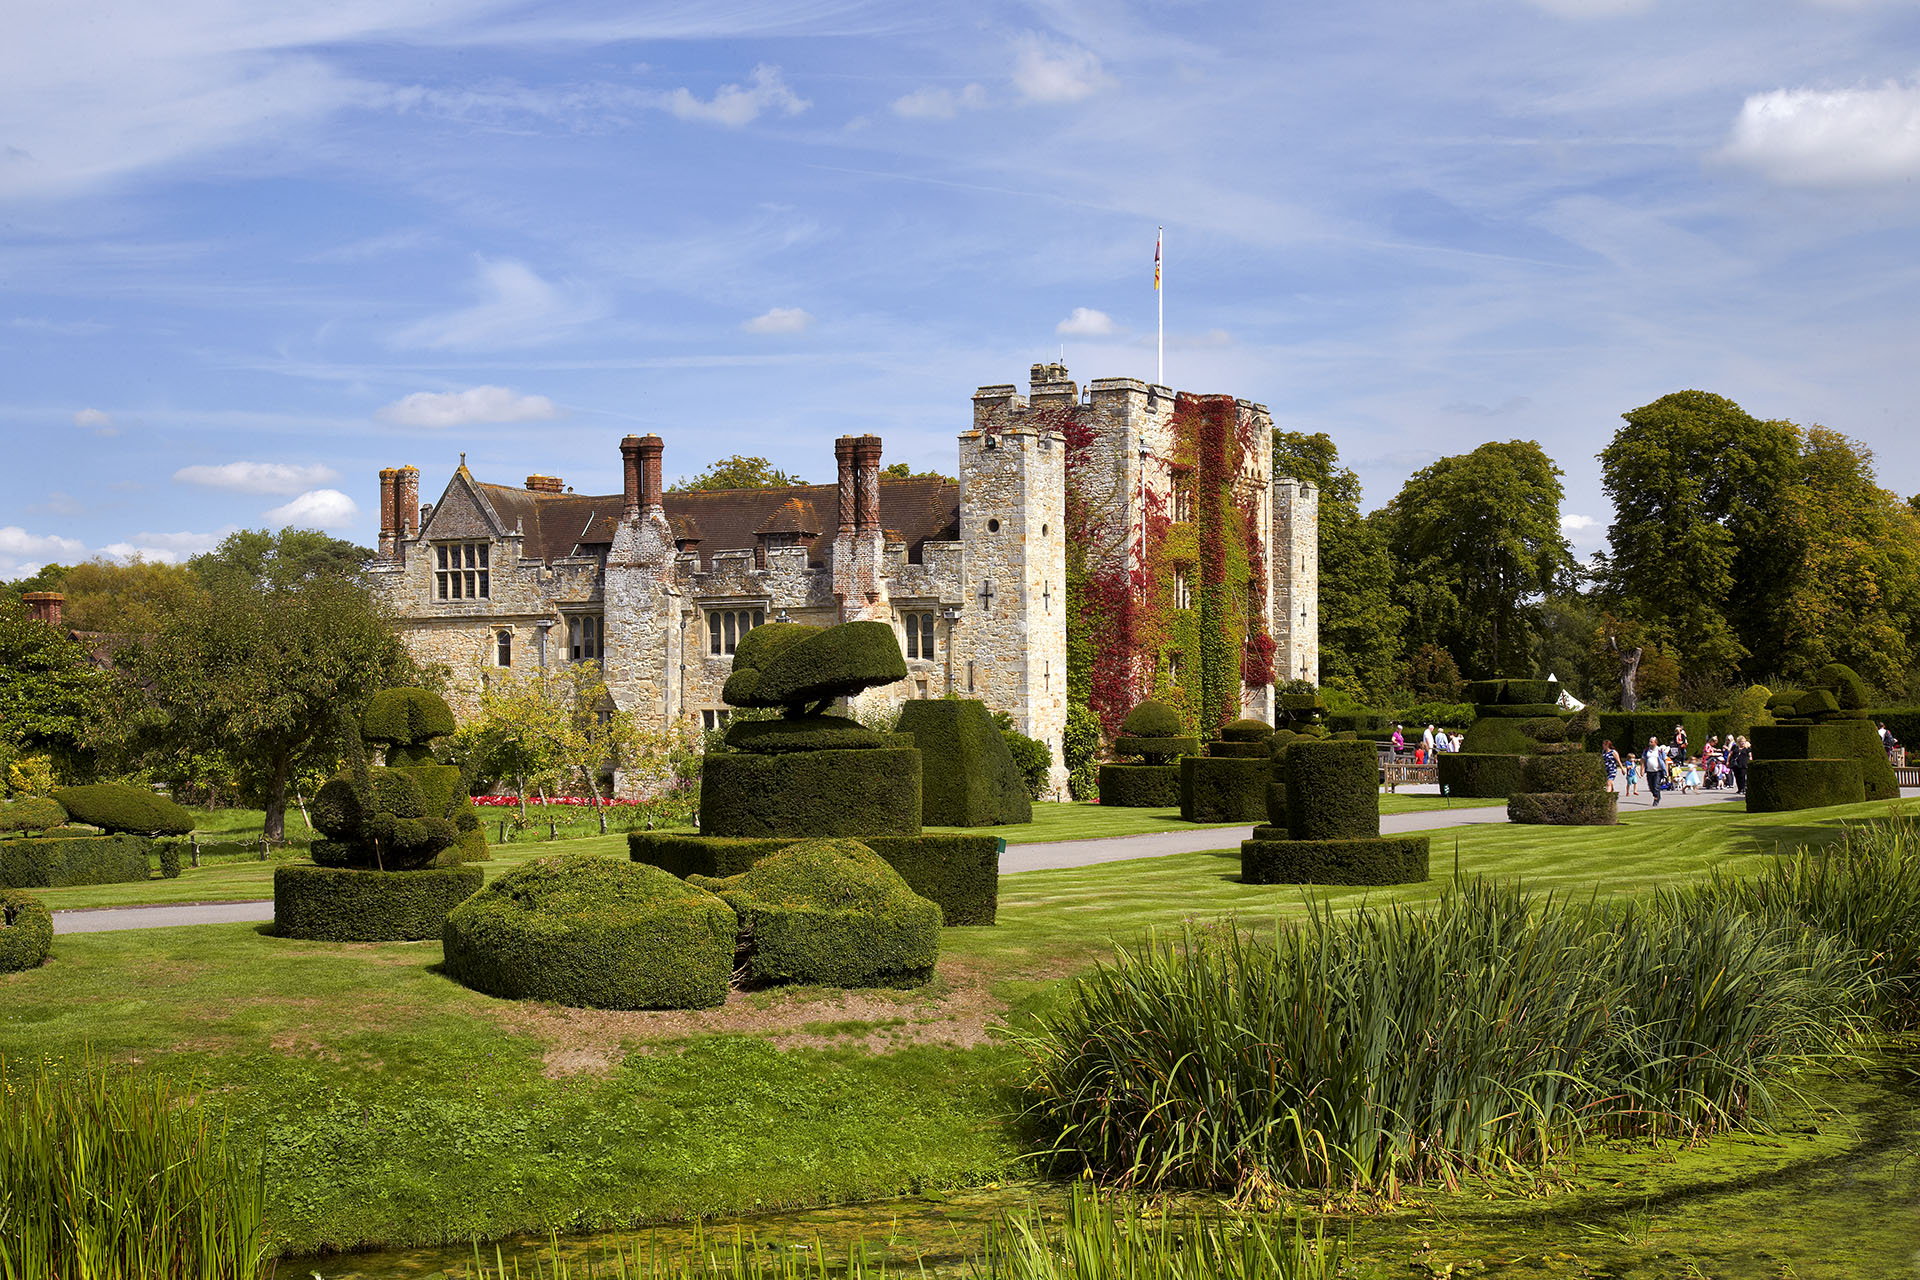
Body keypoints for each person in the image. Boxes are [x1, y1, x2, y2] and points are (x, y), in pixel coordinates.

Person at [1645, 736, 1665, 806]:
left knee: (1656, 786)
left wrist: (1666, 771)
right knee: (1651, 787)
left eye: (1651, 742)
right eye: (1649, 741)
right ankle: (1657, 795)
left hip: (1657, 771)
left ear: (1655, 742)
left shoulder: (1660, 750)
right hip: (1649, 771)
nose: (1649, 743)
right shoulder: (1647, 750)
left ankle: (1656, 799)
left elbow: (1665, 760)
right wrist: (1641, 769)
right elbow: (1643, 759)